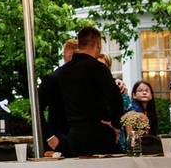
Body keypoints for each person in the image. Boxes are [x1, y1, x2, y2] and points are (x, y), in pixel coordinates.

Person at [57, 26, 124, 156]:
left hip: (73, 135)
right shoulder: (98, 68)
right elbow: (116, 99)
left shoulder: (63, 72)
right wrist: (115, 125)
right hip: (99, 134)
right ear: (97, 44)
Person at [38, 39, 76, 154]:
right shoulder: (53, 79)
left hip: (82, 138)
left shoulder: (86, 78)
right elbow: (36, 108)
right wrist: (49, 136)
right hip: (59, 138)